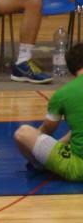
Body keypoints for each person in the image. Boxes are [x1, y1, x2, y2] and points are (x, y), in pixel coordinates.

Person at [14, 44, 83, 182]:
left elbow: (46, 131)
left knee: (22, 133)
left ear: (71, 69)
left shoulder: (63, 94)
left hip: (78, 167)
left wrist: (44, 151)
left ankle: (40, 165)